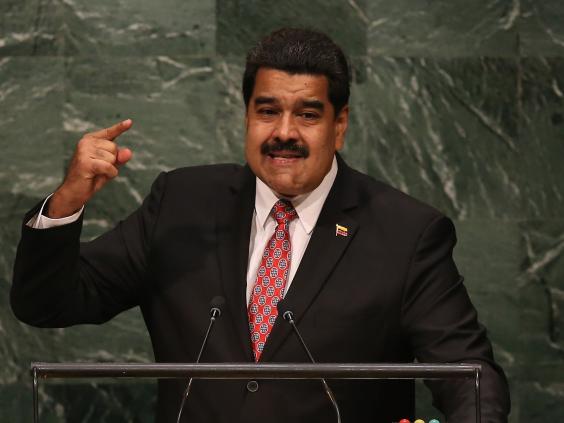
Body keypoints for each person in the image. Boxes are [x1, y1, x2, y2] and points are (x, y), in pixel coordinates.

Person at [11, 28, 510, 422]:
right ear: (246, 116)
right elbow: (47, 303)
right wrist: (68, 200)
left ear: (339, 125)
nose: (284, 133)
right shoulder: (181, 203)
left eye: (308, 115)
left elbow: (470, 376)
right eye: (267, 111)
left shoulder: (406, 232)